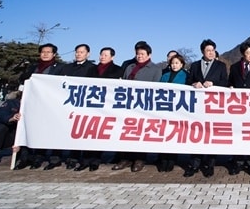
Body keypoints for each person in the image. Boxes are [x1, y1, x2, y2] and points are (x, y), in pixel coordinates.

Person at [112, 43, 162, 173]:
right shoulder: (130, 67)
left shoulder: (155, 69)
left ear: (149, 55)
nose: (139, 56)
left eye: (142, 54)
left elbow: (156, 88)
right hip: (127, 105)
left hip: (144, 106)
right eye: (138, 54)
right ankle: (125, 159)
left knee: (141, 133)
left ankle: (139, 159)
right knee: (126, 132)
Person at [184, 39, 229, 177]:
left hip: (213, 106)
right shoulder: (195, 65)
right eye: (208, 50)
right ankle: (194, 164)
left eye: (213, 50)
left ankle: (209, 165)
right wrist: (194, 83)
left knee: (211, 134)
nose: (211, 52)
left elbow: (225, 82)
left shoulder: (221, 65)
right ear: (202, 52)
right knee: (196, 133)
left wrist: (214, 83)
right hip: (198, 106)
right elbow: (188, 81)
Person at [14, 43, 63, 170]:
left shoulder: (60, 68)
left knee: (50, 132)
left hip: (51, 105)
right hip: (32, 104)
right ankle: (26, 158)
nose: (45, 54)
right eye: (43, 52)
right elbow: (22, 80)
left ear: (54, 54)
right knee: (29, 130)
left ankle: (51, 158)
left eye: (48, 52)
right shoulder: (33, 67)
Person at [78, 47, 125, 171]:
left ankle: (96, 161)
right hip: (91, 105)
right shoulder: (91, 69)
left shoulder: (118, 70)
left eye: (105, 55)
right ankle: (85, 160)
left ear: (112, 57)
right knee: (89, 133)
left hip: (107, 107)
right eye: (101, 54)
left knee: (100, 133)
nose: (102, 57)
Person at [51, 43, 97, 170]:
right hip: (66, 105)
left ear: (88, 54)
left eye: (82, 52)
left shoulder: (93, 68)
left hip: (83, 105)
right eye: (77, 52)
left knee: (81, 132)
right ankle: (66, 158)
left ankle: (82, 159)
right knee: (63, 131)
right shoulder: (66, 67)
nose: (78, 54)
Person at [226, 42, 250, 176]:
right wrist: (230, 87)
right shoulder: (234, 67)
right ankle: (238, 163)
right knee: (238, 134)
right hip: (238, 107)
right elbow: (230, 82)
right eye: (248, 53)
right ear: (243, 54)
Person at [157, 53, 189, 172]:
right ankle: (163, 159)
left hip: (178, 110)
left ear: (181, 64)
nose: (174, 65)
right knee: (164, 134)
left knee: (174, 134)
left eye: (177, 63)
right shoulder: (165, 75)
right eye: (173, 63)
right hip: (164, 109)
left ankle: (171, 160)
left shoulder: (186, 76)